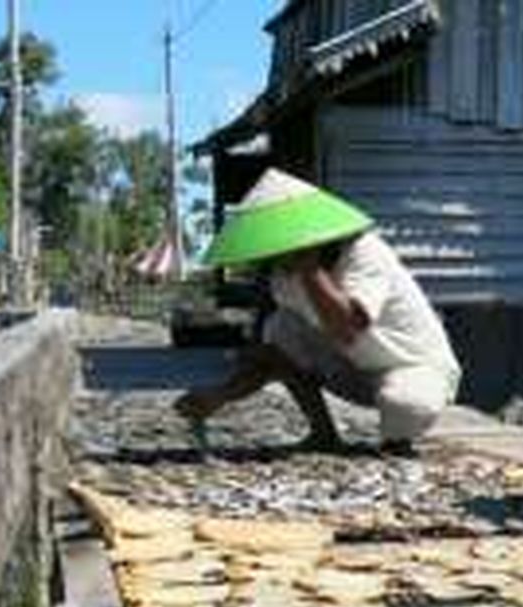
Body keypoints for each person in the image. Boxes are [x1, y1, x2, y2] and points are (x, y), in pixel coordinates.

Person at [174, 169, 461, 456]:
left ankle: (396, 441)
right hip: (356, 370)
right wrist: (218, 396)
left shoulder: (364, 252)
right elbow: (273, 359)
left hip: (411, 365)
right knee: (281, 327)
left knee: (405, 405)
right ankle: (323, 433)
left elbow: (348, 328)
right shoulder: (283, 278)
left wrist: (309, 266)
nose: (271, 260)